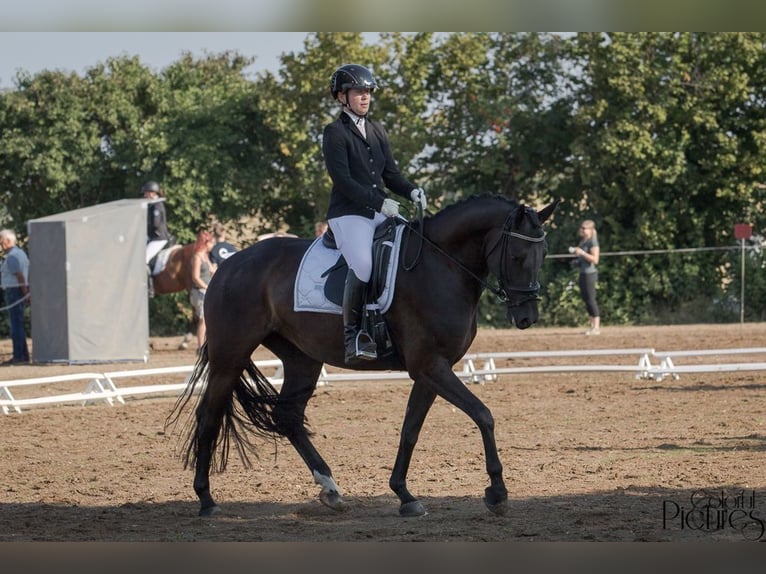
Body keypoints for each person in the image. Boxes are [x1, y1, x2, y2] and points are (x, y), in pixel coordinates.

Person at [322, 63, 427, 365]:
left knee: (409, 247)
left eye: (368, 91)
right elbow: (343, 181)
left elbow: (391, 175)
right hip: (348, 214)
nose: (365, 97)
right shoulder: (335, 133)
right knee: (365, 266)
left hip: (376, 210)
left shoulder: (377, 130)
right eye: (358, 92)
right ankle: (353, 335)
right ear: (342, 96)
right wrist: (380, 203)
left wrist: (410, 191)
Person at [0, 229, 30, 364]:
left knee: (16, 325)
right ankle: (23, 355)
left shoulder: (12, 256)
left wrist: (25, 293)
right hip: (19, 291)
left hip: (14, 291)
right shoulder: (21, 253)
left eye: (1, 240)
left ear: (7, 241)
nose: (0, 243)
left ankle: (19, 355)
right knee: (18, 324)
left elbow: (19, 276)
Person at [569, 219, 601, 335]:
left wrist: (582, 253)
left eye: (584, 228)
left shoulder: (593, 243)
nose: (582, 230)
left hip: (590, 274)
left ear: (590, 230)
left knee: (591, 299)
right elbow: (584, 259)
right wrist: (576, 262)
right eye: (581, 228)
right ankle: (592, 326)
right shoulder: (584, 242)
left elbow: (595, 259)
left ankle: (596, 327)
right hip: (582, 273)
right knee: (586, 300)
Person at [189, 230, 217, 349]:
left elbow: (211, 271)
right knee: (203, 320)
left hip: (206, 291)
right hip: (199, 292)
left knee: (207, 319)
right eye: (211, 243)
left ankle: (207, 344)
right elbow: (195, 277)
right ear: (206, 243)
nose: (213, 245)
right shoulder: (197, 257)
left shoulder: (206, 256)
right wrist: (207, 288)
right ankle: (200, 347)